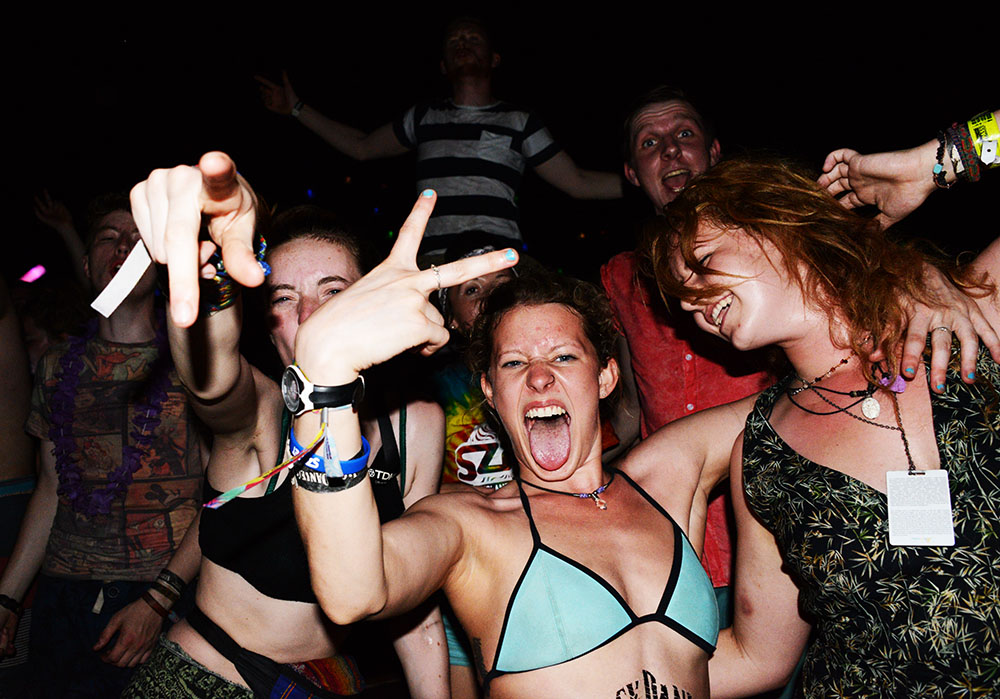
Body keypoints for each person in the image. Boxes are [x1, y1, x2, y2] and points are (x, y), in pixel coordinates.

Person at [644, 156, 1000, 696]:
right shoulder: (761, 456)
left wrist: (934, 162)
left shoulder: (969, 312)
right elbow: (757, 657)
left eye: (703, 261)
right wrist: (596, 680)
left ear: (775, 224)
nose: (694, 301)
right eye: (683, 298)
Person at [123, 160, 449, 698]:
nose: (310, 315)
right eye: (284, 298)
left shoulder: (417, 422)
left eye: (332, 291)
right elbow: (212, 379)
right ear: (269, 327)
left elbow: (414, 602)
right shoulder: (260, 411)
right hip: (202, 682)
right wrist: (213, 276)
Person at [0, 194, 206, 697]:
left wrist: (158, 601)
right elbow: (50, 490)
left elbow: (223, 495)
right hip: (64, 595)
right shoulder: (55, 366)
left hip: (162, 591)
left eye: (138, 240)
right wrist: (7, 599)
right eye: (109, 238)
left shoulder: (198, 364)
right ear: (88, 265)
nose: (123, 247)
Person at [256, 16, 622, 254]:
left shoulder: (519, 120)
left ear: (494, 58)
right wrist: (297, 109)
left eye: (473, 37)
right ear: (443, 65)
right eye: (455, 39)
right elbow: (362, 147)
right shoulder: (424, 117)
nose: (463, 41)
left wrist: (644, 180)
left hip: (497, 260)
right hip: (435, 264)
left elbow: (578, 182)